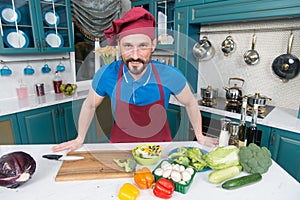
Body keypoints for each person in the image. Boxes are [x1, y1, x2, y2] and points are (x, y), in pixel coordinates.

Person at [52, 7, 218, 153]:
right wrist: (80, 138)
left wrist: (200, 136)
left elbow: (190, 103)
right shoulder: (106, 74)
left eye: (143, 46)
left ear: (153, 45)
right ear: (119, 45)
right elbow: (89, 104)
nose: (135, 55)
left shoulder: (170, 75)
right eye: (128, 46)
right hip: (120, 147)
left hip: (160, 149)